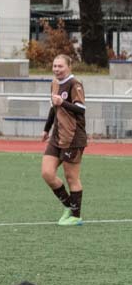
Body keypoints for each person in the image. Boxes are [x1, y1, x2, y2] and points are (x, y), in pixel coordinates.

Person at [41, 54, 87, 226]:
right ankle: (69, 205)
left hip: (73, 137)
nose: (56, 69)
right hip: (57, 136)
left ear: (69, 67)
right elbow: (54, 108)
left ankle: (76, 216)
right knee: (47, 173)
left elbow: (81, 109)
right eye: (54, 66)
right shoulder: (54, 83)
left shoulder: (75, 84)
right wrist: (46, 129)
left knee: (71, 177)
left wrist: (63, 102)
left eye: (60, 66)